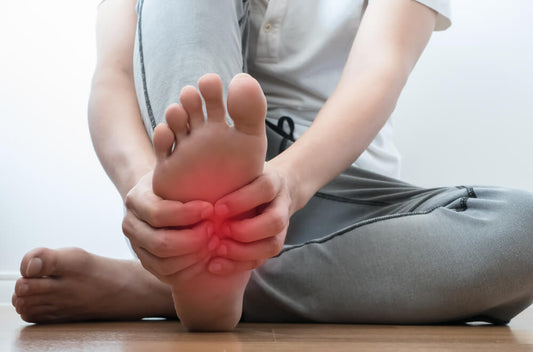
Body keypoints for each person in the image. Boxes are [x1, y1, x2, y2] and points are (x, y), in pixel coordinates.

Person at [12, 0, 533, 331]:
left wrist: (286, 183)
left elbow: (381, 69)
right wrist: (143, 191)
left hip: (346, 208)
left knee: (524, 231)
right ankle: (202, 236)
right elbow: (114, 77)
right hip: (193, 178)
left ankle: (166, 285)